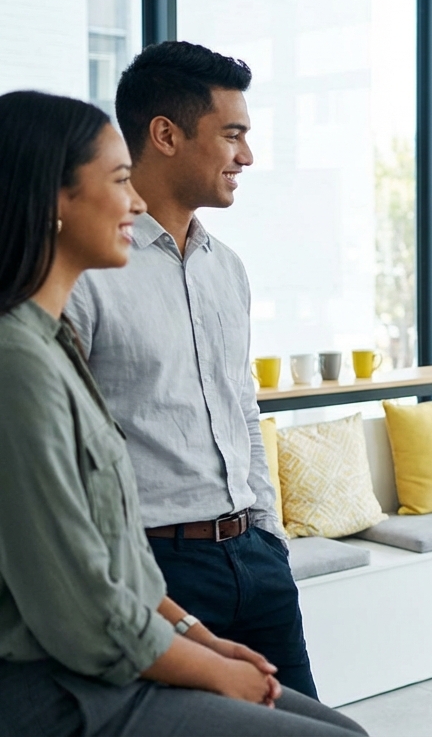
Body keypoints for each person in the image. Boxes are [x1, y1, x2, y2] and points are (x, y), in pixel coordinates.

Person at [0, 89, 365, 737]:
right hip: (78, 675)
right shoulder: (21, 358)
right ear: (53, 198)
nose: (135, 201)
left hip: (240, 558)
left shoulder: (56, 340)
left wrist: (260, 541)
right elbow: (82, 596)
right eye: (118, 181)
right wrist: (210, 667)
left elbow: (240, 407)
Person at [64, 41, 318, 698]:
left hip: (255, 558)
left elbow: (242, 408)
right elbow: (64, 448)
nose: (247, 156)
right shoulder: (87, 273)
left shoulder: (227, 268)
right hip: (154, 568)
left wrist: (268, 533)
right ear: (166, 135)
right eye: (232, 135)